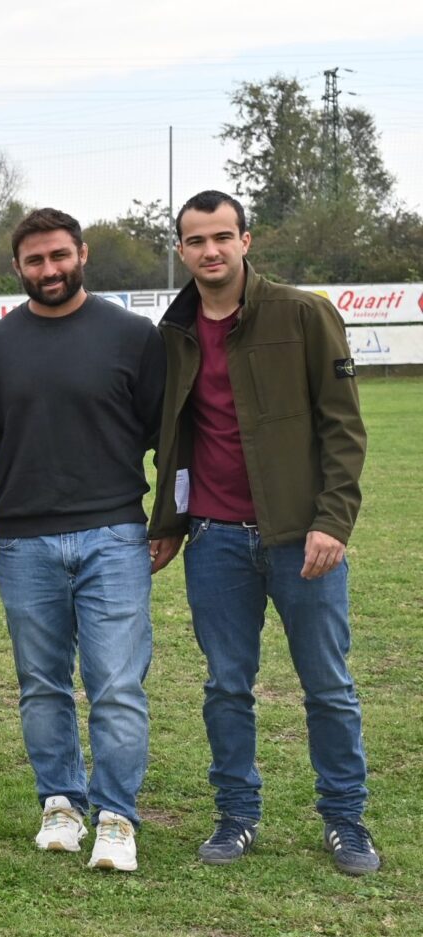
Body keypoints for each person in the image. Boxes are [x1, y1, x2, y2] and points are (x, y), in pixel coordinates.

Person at [148, 190, 377, 876]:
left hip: (301, 539)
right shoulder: (175, 331)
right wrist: (169, 525)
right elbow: (174, 439)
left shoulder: (303, 314)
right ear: (181, 250)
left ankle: (345, 819)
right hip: (215, 540)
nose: (210, 250)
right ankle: (236, 815)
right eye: (196, 240)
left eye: (223, 236)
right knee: (226, 685)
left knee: (327, 685)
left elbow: (344, 428)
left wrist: (332, 521)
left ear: (247, 240)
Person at [0, 208, 164, 872]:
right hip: (23, 539)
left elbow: (161, 433)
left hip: (114, 533)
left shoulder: (134, 336)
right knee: (41, 683)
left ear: (82, 254)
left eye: (59, 255)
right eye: (35, 260)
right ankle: (60, 802)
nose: (49, 269)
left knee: (115, 683)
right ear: (17, 268)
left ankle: (116, 817)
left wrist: (166, 522)